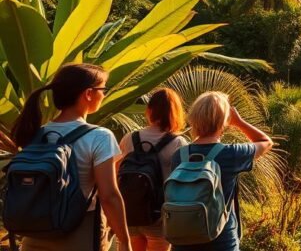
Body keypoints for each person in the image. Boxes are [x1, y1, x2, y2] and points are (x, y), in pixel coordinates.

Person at [10, 63, 133, 251]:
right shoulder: (100, 136)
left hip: (34, 232)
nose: (104, 95)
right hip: (79, 232)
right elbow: (108, 195)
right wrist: (124, 240)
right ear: (89, 93)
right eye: (103, 89)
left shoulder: (38, 133)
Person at [170, 92, 274, 251]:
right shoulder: (230, 154)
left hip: (184, 239)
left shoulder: (180, 155)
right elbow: (266, 142)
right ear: (223, 121)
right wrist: (239, 122)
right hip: (221, 240)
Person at [119, 88, 190, 251]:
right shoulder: (179, 143)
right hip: (159, 216)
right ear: (176, 112)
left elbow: (117, 173)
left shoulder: (129, 138)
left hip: (129, 212)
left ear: (149, 110)